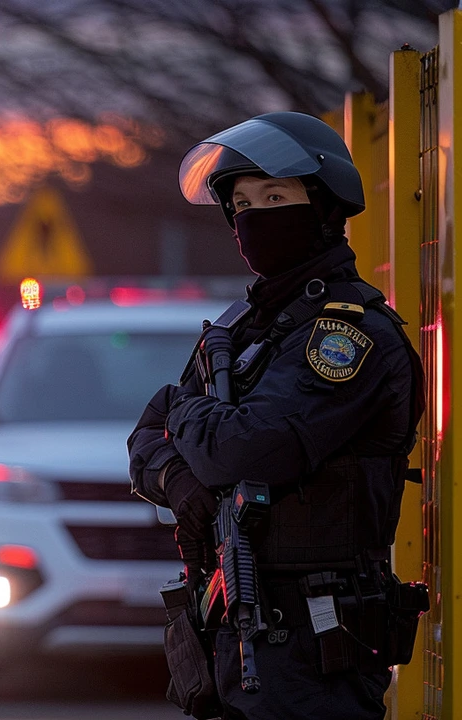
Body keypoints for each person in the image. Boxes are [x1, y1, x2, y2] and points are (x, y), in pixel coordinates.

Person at [128, 112, 426, 719]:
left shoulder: (347, 335)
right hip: (240, 638)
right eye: (240, 203)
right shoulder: (241, 329)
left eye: (274, 196)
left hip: (319, 651)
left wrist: (186, 416)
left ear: (322, 207)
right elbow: (143, 439)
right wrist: (182, 482)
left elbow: (249, 448)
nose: (253, 217)